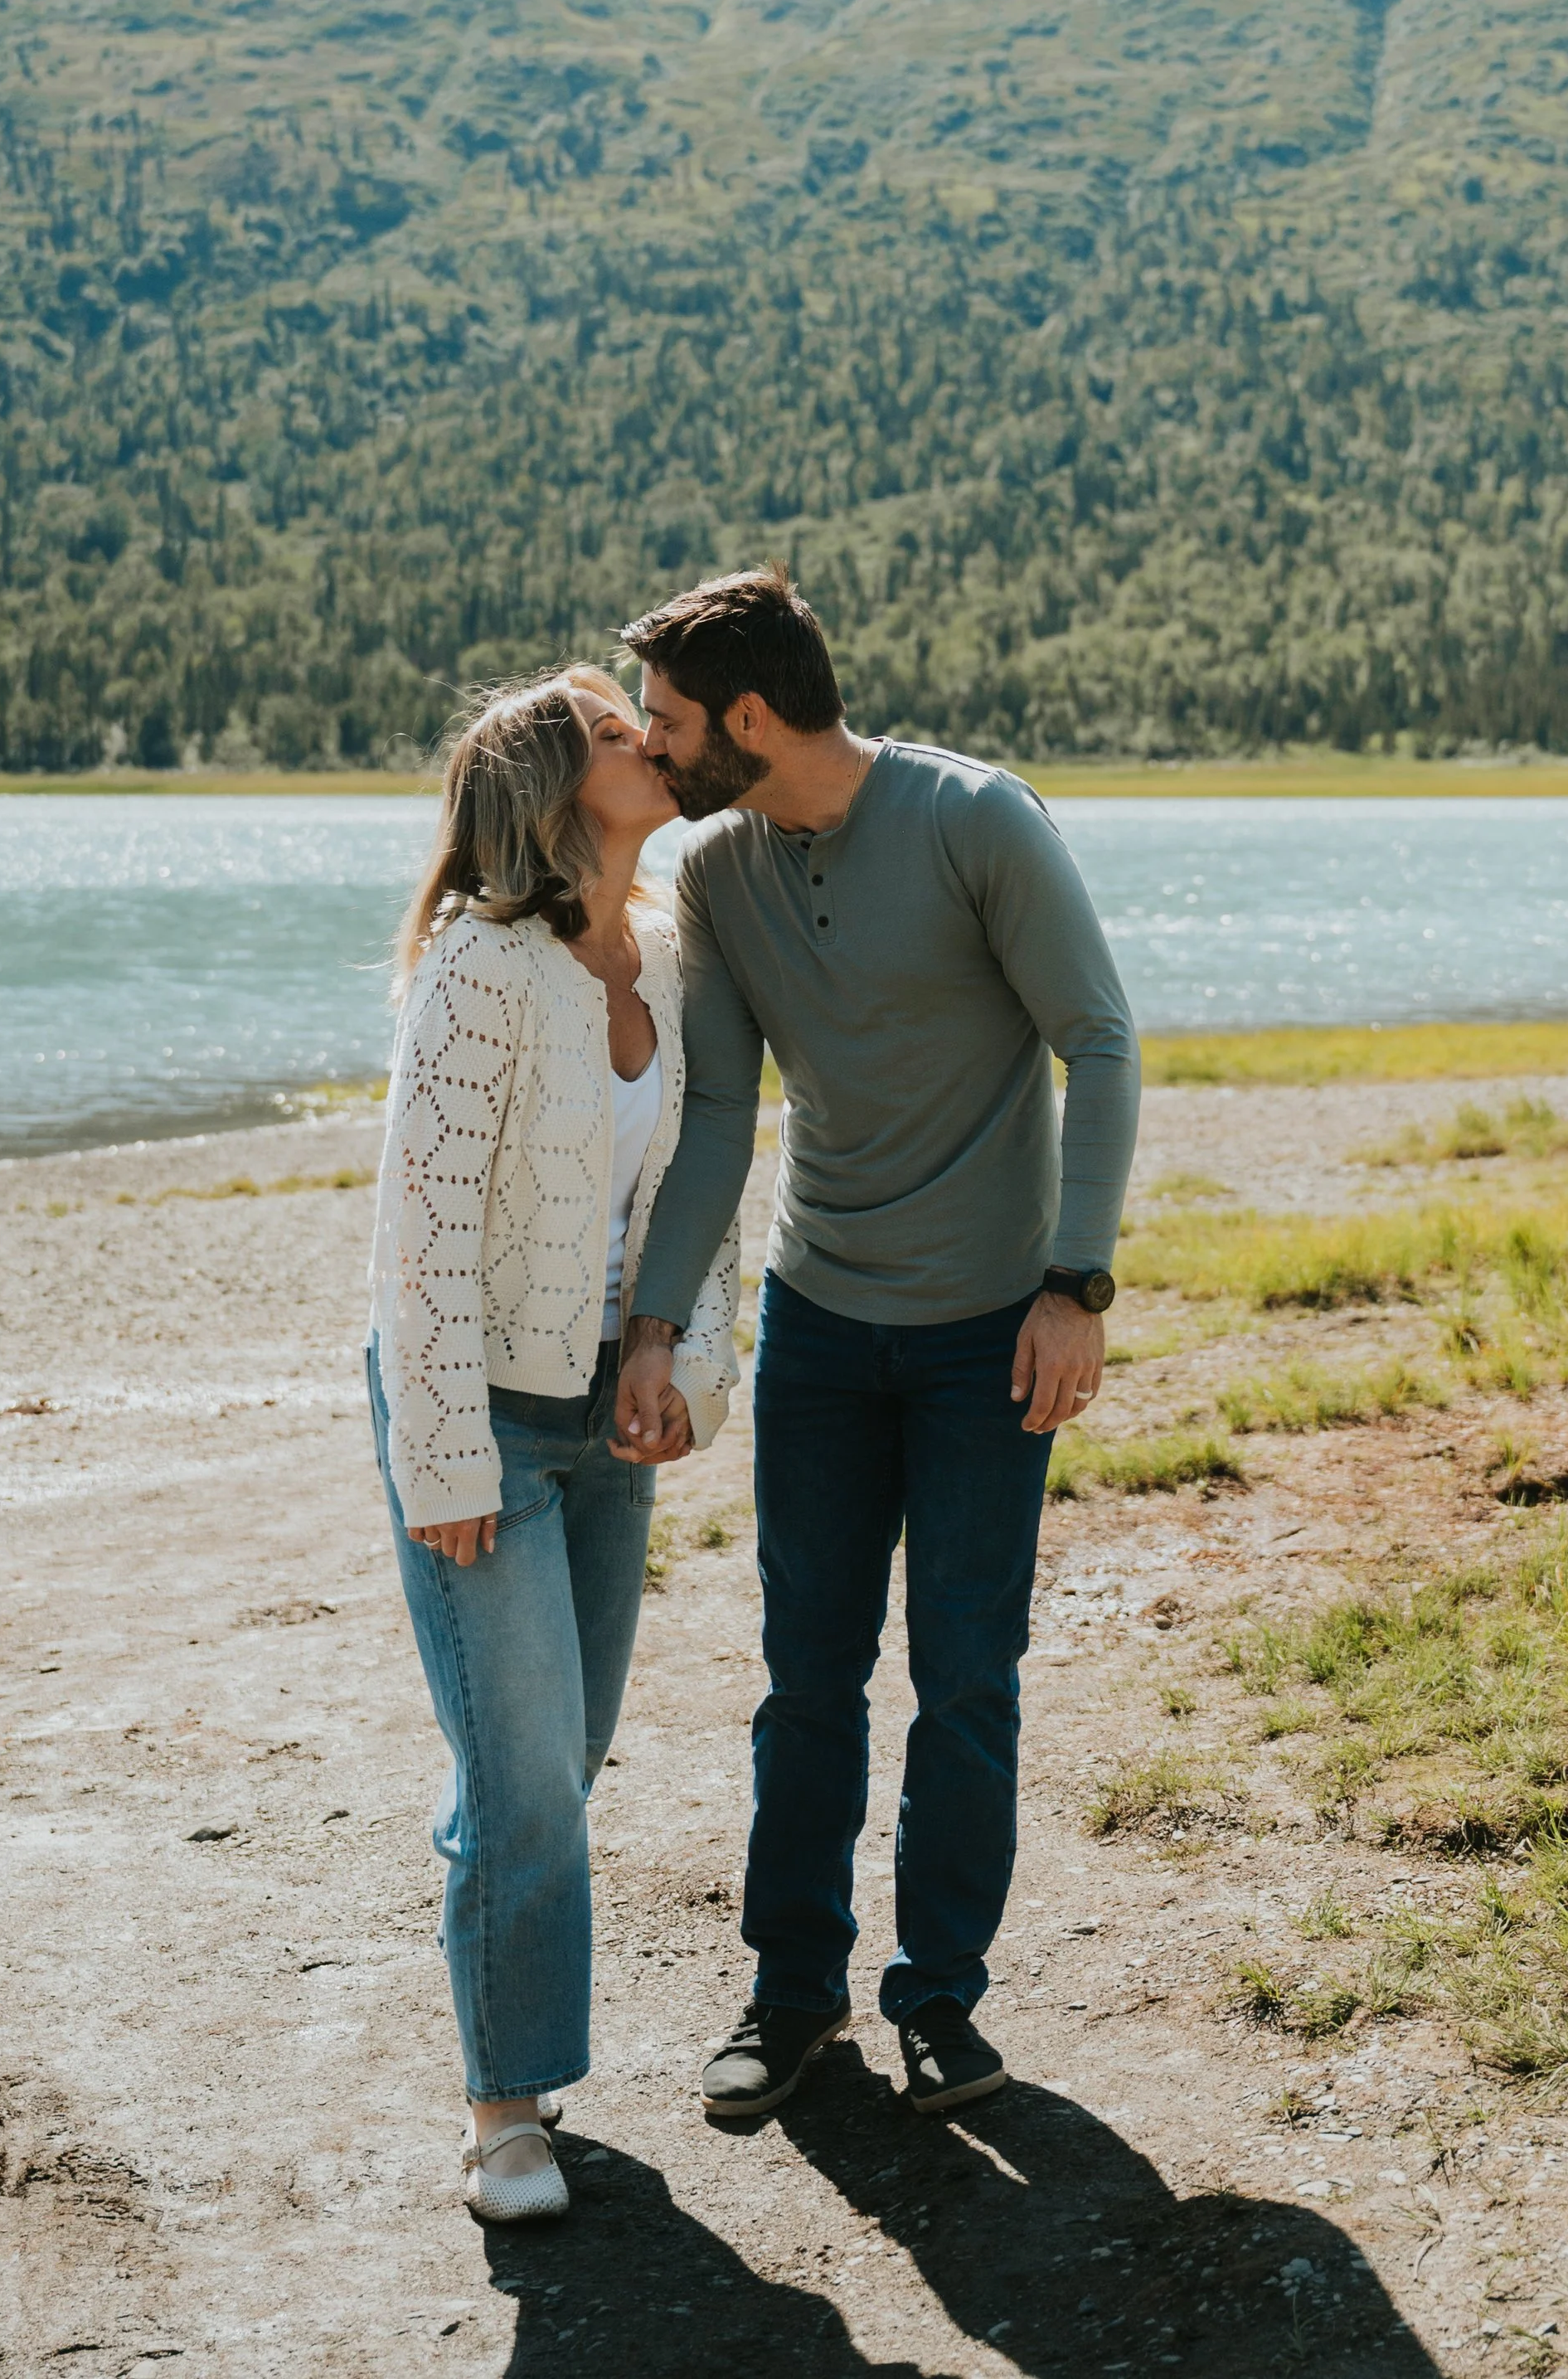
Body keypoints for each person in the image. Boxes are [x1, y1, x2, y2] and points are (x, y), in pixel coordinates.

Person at [619, 566, 1140, 2121]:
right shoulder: (715, 867)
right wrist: (658, 1320)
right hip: (824, 1331)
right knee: (806, 1676)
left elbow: (1098, 1041)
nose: (648, 748)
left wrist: (1078, 1287)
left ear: (753, 717)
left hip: (995, 1334)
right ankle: (793, 1996)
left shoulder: (977, 820)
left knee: (967, 1675)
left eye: (664, 721)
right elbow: (722, 1110)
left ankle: (939, 1999)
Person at [366, 667, 741, 2221]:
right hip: (479, 1413)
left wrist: (681, 1360)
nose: (649, 741)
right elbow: (422, 1235)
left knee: (556, 1760)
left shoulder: (667, 948)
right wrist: (445, 1457)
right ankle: (506, 2117)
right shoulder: (478, 967)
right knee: (526, 1773)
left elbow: (702, 1192)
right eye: (611, 730)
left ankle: (491, 1953)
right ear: (549, 786)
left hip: (609, 1402)